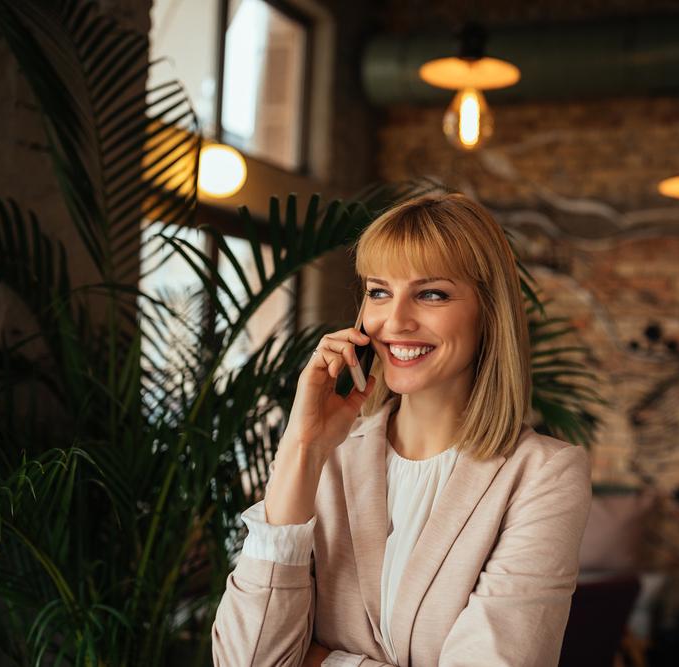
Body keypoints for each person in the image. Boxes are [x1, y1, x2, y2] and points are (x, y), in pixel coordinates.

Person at [212, 192, 592, 667]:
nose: (395, 321)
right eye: (378, 291)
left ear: (488, 311)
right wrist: (303, 446)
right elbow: (246, 662)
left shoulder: (543, 475)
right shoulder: (325, 458)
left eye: (431, 293)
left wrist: (321, 660)